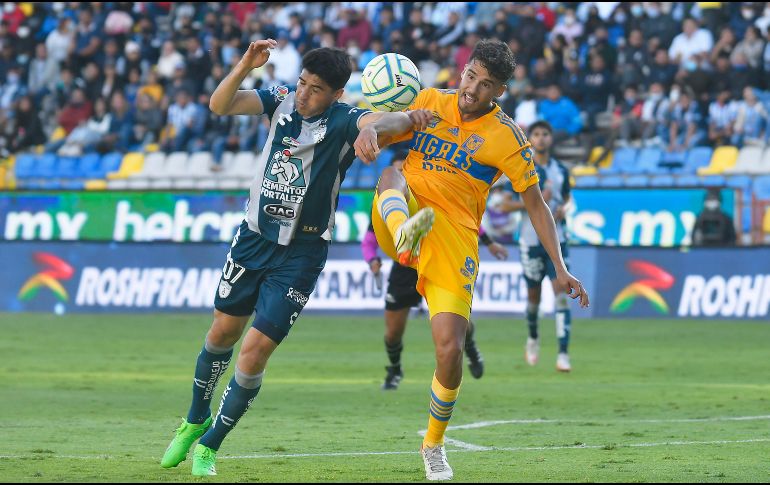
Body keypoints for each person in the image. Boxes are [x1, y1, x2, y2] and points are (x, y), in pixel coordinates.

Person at [160, 40, 432, 477]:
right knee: (221, 335)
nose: (304, 94)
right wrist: (246, 64)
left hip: (302, 255)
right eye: (303, 83)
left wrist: (373, 129)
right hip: (252, 239)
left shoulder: (346, 121)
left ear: (337, 94)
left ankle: (210, 445)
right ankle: (195, 419)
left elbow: (388, 120)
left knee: (253, 353)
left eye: (316, 88)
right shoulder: (282, 100)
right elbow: (219, 104)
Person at [356, 39, 589, 481]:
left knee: (450, 349)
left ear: (499, 91)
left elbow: (537, 206)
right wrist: (372, 129)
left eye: (486, 85)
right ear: (462, 71)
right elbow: (383, 122)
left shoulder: (509, 139)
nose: (472, 90)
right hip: (401, 212)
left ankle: (433, 445)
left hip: (454, 240)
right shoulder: (429, 101)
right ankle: (407, 234)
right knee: (392, 173)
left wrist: (560, 267)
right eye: (470, 77)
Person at [361, 153, 509, 390]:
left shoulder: (429, 194)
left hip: (439, 262)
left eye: (404, 171)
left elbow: (461, 220)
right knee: (392, 333)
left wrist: (490, 242)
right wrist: (372, 260)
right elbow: (369, 240)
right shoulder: (386, 201)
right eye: (398, 172)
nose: (402, 178)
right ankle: (395, 370)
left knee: (458, 327)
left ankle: (469, 346)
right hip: (404, 269)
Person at [491, 121, 575, 372]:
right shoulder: (520, 167)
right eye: (536, 134)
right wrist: (536, 204)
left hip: (557, 241)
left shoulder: (560, 170)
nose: (541, 139)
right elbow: (504, 205)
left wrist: (562, 209)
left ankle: (563, 353)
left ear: (550, 139)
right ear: (530, 139)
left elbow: (570, 200)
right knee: (534, 297)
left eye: (545, 134)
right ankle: (533, 338)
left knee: (561, 295)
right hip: (529, 241)